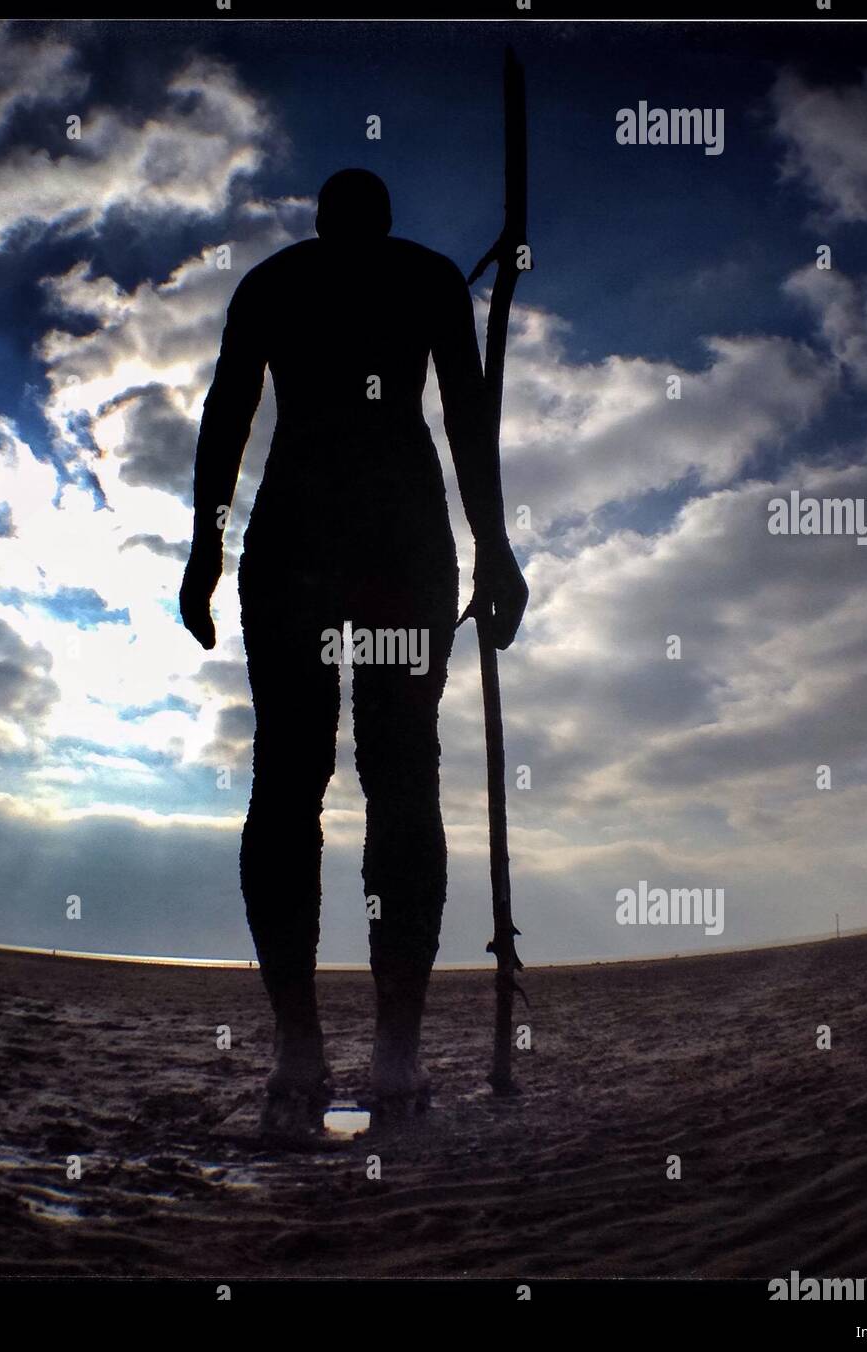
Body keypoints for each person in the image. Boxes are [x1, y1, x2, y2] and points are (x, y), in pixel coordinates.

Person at [179, 168, 527, 1118]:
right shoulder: (288, 286)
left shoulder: (411, 284)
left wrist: (495, 549)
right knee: (305, 782)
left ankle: (389, 1049)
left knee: (387, 779)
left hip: (390, 551)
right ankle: (307, 1048)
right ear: (334, 219)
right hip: (319, 549)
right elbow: (229, 410)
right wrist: (204, 545)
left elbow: (467, 413)